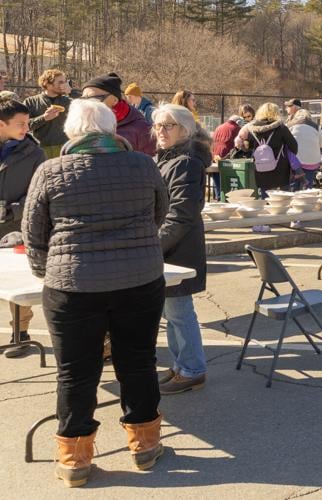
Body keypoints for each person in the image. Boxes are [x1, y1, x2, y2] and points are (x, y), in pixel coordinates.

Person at [22, 99, 169, 487]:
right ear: (111, 130)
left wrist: (46, 270)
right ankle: (145, 444)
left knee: (76, 370)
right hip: (139, 279)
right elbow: (159, 213)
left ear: (72, 132)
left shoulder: (51, 170)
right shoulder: (142, 164)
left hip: (73, 285)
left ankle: (75, 457)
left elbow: (35, 233)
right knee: (138, 360)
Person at [151, 104, 210, 395]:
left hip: (178, 247)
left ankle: (192, 369)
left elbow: (180, 214)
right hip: (168, 246)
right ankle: (181, 364)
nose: (160, 131)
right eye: (158, 126)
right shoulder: (168, 158)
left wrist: (155, 246)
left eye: (168, 125)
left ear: (184, 130)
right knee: (171, 312)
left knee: (179, 310)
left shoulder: (186, 162)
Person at [0, 97, 46, 358]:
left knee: (16, 284)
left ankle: (21, 333)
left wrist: (11, 209)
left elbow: (38, 194)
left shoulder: (34, 153)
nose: (26, 128)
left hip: (16, 227)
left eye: (28, 123)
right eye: (20, 124)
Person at [236, 102, 298, 220]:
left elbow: (248, 147)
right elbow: (294, 147)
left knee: (264, 196)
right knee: (284, 196)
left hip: (261, 168)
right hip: (280, 168)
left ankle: (265, 221)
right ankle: (284, 219)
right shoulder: (281, 128)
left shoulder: (252, 129)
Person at [81, 73, 156, 156]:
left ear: (115, 100)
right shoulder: (81, 126)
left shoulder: (141, 129)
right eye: (84, 99)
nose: (88, 104)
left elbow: (149, 165)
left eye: (95, 99)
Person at [23, 69, 72, 159]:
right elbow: (24, 125)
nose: (64, 85)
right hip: (40, 150)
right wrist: (44, 118)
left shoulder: (69, 101)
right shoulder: (31, 102)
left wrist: (72, 93)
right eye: (60, 82)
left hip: (65, 149)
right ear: (48, 84)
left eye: (65, 82)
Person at [210, 114, 243, 200]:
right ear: (238, 122)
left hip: (215, 155)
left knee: (216, 175)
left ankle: (218, 196)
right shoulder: (236, 128)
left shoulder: (219, 127)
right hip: (227, 155)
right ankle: (226, 197)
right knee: (227, 178)